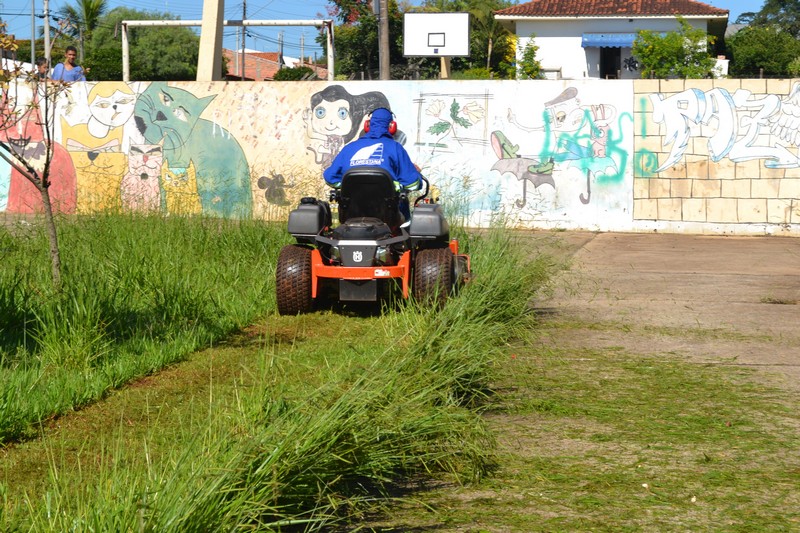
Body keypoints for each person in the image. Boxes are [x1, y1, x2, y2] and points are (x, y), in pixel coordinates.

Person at [323, 107, 421, 219]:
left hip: (352, 216)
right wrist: (413, 176)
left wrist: (347, 184)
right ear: (392, 127)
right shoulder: (396, 148)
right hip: (388, 217)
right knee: (403, 202)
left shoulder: (348, 148)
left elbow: (329, 177)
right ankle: (406, 234)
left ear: (367, 126)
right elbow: (413, 184)